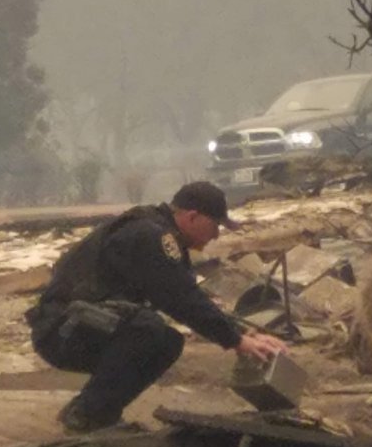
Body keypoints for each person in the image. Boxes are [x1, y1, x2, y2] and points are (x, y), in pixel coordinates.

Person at [26, 180, 286, 432]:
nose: (216, 235)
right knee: (146, 328)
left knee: (167, 341)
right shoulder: (151, 236)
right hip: (60, 331)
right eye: (215, 225)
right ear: (193, 217)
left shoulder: (157, 232)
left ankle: (98, 411)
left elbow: (189, 297)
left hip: (78, 327)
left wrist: (241, 333)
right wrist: (235, 340)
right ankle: (85, 415)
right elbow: (180, 298)